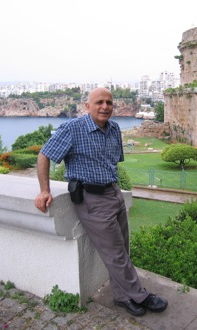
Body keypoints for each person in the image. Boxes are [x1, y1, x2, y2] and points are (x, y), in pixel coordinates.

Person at [34, 87, 168, 317]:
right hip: (91, 199)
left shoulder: (114, 128)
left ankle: (122, 296)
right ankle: (140, 295)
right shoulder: (73, 129)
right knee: (115, 253)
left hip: (113, 193)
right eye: (99, 102)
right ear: (88, 106)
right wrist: (44, 190)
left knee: (122, 249)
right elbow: (44, 154)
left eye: (109, 102)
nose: (105, 106)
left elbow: (113, 162)